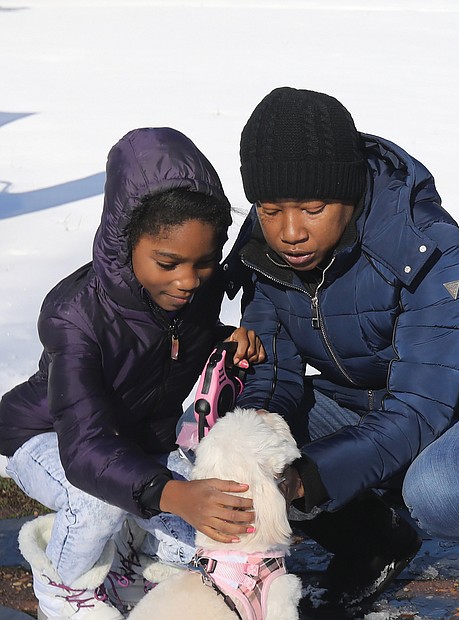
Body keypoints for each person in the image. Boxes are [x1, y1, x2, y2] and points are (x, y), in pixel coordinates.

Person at [223, 87, 459, 619]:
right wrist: (259, 431)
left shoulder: (425, 245)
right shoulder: (265, 242)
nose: (290, 231)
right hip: (370, 398)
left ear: (350, 193)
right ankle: (375, 544)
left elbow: (419, 410)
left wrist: (306, 478)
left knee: (440, 490)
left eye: (313, 208)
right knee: (242, 444)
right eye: (270, 209)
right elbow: (275, 370)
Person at [0, 127, 265, 620]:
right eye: (168, 262)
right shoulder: (73, 316)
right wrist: (172, 493)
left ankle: (124, 553)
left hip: (140, 441)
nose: (188, 280)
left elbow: (174, 341)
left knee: (204, 538)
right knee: (96, 503)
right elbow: (84, 451)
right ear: (126, 243)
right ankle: (63, 587)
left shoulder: (191, 291)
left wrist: (226, 335)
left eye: (204, 263)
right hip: (47, 438)